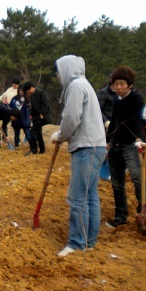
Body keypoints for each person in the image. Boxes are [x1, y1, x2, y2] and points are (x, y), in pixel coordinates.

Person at [50, 55, 107, 257]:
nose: (58, 77)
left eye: (58, 72)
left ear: (66, 69)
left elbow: (72, 117)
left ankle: (76, 243)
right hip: (97, 146)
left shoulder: (75, 86)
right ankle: (89, 241)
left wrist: (61, 135)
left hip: (86, 148)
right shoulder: (85, 84)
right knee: (90, 196)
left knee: (77, 198)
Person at [105, 66, 146, 229]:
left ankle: (144, 210)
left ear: (130, 85)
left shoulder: (136, 98)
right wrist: (108, 141)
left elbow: (137, 120)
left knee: (137, 177)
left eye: (122, 84)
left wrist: (138, 139)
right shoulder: (116, 100)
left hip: (131, 144)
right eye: (116, 84)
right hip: (116, 145)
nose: (118, 87)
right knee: (117, 183)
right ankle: (120, 216)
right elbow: (114, 121)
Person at [23, 81, 53, 155]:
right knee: (38, 132)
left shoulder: (41, 92)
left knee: (33, 132)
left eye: (28, 90)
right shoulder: (32, 96)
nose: (28, 92)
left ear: (31, 87)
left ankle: (34, 150)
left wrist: (42, 113)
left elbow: (45, 104)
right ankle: (42, 150)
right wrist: (31, 114)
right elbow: (33, 107)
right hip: (36, 118)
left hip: (44, 117)